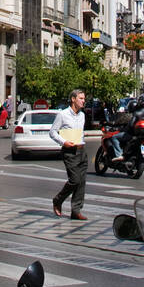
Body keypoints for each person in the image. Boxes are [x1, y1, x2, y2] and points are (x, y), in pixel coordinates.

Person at [49, 89, 89, 221]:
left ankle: (76, 211)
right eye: (81, 98)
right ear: (73, 99)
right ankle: (58, 200)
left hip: (81, 150)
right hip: (69, 152)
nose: (83, 101)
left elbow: (80, 132)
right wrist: (63, 142)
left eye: (84, 99)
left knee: (81, 182)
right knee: (75, 180)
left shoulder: (82, 115)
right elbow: (53, 132)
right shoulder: (63, 115)